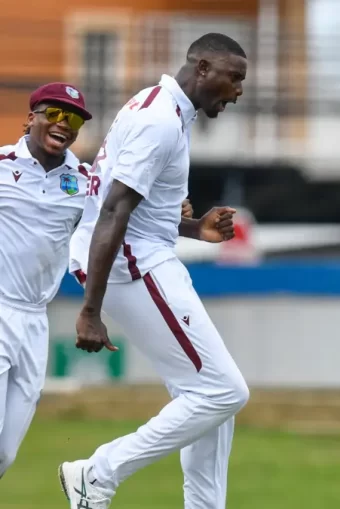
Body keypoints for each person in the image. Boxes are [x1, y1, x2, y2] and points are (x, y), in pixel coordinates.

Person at [59, 33, 248, 509]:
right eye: (235, 78)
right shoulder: (161, 121)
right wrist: (90, 311)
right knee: (224, 390)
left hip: (139, 254)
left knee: (207, 399)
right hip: (132, 263)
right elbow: (112, 211)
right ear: (202, 68)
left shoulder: (161, 107)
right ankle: (96, 474)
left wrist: (191, 226)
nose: (239, 92)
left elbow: (138, 207)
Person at [0, 83, 93, 480]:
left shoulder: (87, 180)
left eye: (72, 118)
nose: (63, 124)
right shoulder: (2, 163)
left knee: (5, 455)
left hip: (36, 319)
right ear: (31, 117)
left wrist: (190, 224)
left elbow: (126, 221)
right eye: (53, 113)